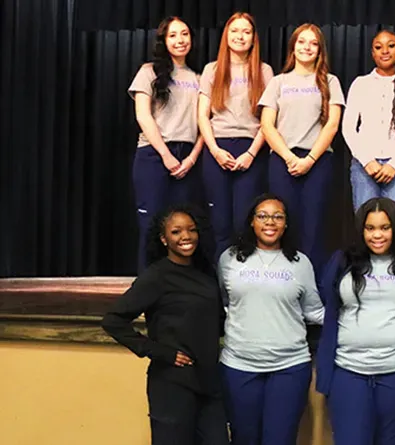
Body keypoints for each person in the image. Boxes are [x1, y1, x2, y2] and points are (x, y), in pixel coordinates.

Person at [102, 205, 228, 445]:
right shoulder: (156, 276)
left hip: (209, 382)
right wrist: (160, 352)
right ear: (163, 239)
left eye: (191, 230)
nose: (186, 236)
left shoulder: (206, 273)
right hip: (172, 384)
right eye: (176, 232)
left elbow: (217, 321)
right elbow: (113, 320)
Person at [316, 197, 395, 445]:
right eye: (370, 228)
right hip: (349, 373)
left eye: (385, 227)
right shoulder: (341, 262)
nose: (377, 235)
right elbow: (329, 305)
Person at [216, 193, 324, 444]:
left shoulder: (300, 263)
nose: (270, 222)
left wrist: (357, 316)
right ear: (252, 221)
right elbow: (225, 302)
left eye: (278, 217)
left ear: (286, 224)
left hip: (289, 368)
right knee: (244, 439)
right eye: (263, 216)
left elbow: (313, 311)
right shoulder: (229, 258)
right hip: (239, 367)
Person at [260, 23, 345, 275]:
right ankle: (284, 280)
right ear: (293, 47)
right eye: (302, 42)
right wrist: (289, 157)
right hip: (282, 161)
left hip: (317, 162)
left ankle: (312, 286)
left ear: (320, 50)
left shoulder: (330, 81)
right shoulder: (278, 81)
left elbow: (332, 125)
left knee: (314, 227)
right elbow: (267, 125)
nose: (307, 47)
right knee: (283, 224)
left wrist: (309, 159)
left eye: (313, 43)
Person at [129, 16, 204, 272]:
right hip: (153, 154)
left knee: (183, 226)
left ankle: (178, 283)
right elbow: (143, 116)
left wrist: (191, 158)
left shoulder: (199, 77)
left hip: (188, 158)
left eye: (184, 34)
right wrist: (165, 155)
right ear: (164, 40)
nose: (180, 40)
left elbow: (205, 123)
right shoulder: (148, 71)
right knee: (151, 224)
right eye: (173, 35)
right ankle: (148, 283)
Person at [198, 12, 274, 259]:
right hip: (217, 150)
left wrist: (251, 154)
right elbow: (202, 116)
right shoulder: (212, 70)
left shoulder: (264, 71)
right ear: (226, 35)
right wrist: (215, 151)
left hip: (252, 151)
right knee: (219, 222)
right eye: (235, 31)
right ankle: (219, 278)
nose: (240, 36)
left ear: (253, 38)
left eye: (246, 31)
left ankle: (243, 274)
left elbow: (268, 120)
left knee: (244, 220)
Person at [342, 30, 395, 226]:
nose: (385, 51)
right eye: (378, 47)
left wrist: (394, 165)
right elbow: (348, 127)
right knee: (365, 226)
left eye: (391, 46)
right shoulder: (360, 84)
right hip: (364, 167)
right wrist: (367, 161)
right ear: (372, 53)